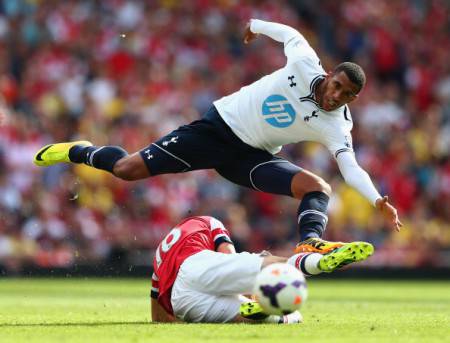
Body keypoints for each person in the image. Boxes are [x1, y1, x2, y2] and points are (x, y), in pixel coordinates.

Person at [33, 19, 402, 253]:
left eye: (346, 95)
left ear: (354, 98)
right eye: (337, 85)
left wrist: (375, 201)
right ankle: (80, 151)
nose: (336, 96)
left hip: (251, 156)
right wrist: (256, 25)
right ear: (331, 73)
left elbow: (350, 166)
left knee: (317, 187)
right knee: (128, 170)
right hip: (218, 128)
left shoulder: (338, 124)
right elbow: (290, 34)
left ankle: (309, 245)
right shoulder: (305, 63)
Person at [149, 215, 374, 323]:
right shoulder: (208, 222)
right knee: (263, 264)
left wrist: (183, 321)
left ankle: (274, 312)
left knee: (275, 317)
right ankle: (317, 262)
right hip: (195, 266)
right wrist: (252, 285)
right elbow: (228, 256)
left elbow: (158, 317)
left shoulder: (160, 255)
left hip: (182, 301)